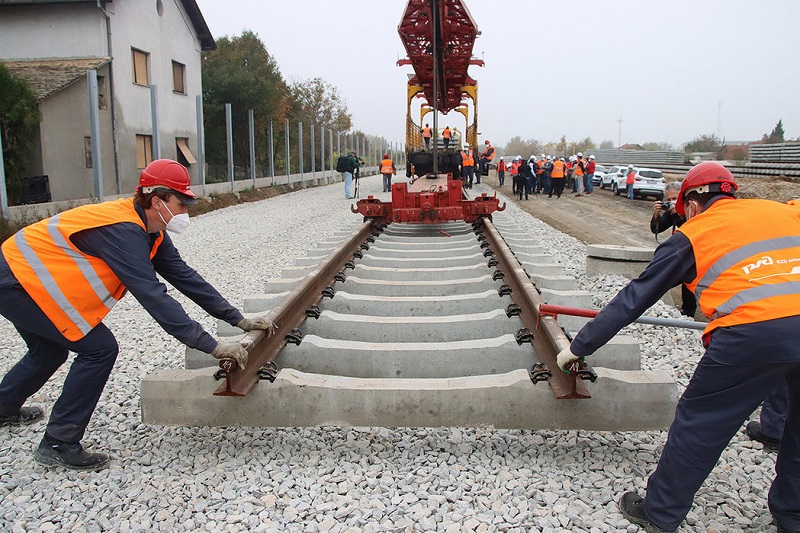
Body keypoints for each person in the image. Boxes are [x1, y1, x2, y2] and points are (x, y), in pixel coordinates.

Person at [557, 161, 800, 533]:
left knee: (702, 421)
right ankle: (793, 514)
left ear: (692, 205)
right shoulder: (785, 211)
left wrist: (580, 346)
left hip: (751, 333)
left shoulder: (695, 233)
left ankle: (660, 511)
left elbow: (635, 297)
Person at [0, 159, 276, 471]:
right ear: (158, 202)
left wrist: (236, 318)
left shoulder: (151, 232)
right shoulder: (124, 232)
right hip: (17, 282)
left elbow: (184, 277)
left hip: (19, 276)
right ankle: (58, 442)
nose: (186, 212)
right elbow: (153, 296)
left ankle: (3, 407)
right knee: (99, 349)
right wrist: (211, 346)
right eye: (181, 204)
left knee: (48, 351)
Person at [650, 181, 697, 318]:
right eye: (669, 199)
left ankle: (690, 310)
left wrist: (682, 214)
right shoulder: (672, 211)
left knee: (690, 279)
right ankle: (687, 312)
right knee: (683, 276)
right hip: (685, 250)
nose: (672, 202)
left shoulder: (693, 208)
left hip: (700, 248)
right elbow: (657, 229)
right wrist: (656, 215)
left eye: (675, 198)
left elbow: (694, 226)